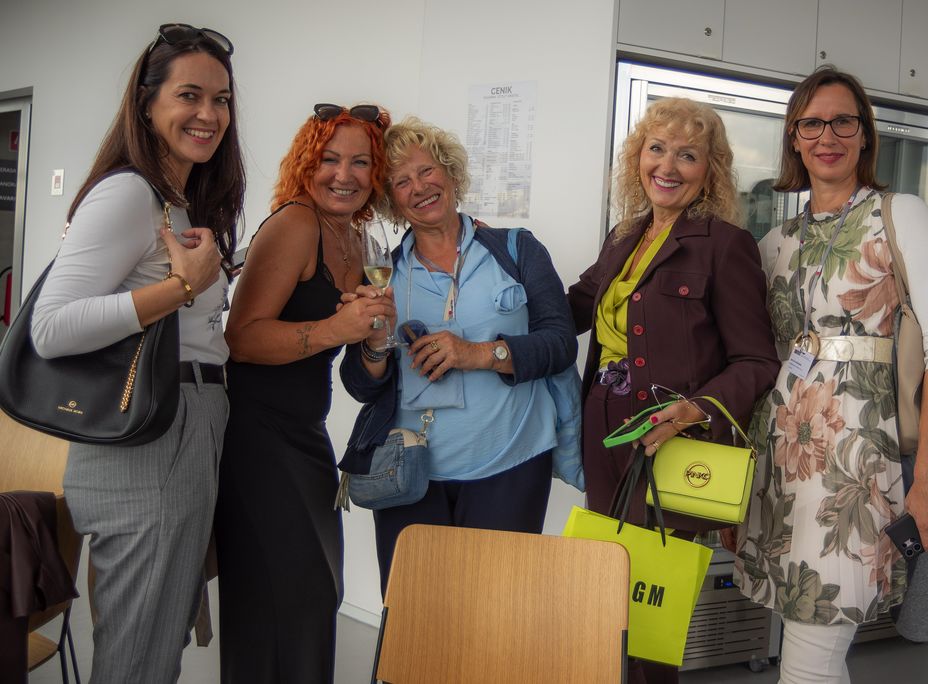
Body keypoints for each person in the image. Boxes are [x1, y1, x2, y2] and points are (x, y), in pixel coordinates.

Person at [733, 66, 928, 684]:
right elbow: (752, 360)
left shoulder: (899, 214)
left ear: (865, 134)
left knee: (812, 653)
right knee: (811, 652)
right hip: (779, 464)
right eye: (811, 123)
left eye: (842, 121)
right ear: (793, 138)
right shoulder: (774, 241)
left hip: (855, 468)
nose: (827, 136)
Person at [29, 24, 244, 683]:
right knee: (139, 659)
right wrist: (183, 287)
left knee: (153, 647)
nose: (209, 114)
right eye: (189, 95)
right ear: (147, 104)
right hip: (151, 435)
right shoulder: (129, 192)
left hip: (180, 428)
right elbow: (51, 327)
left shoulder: (175, 201)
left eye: (221, 99)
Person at [567, 97, 780, 684]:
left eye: (687, 155)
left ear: (710, 171)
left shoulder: (725, 244)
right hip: (604, 425)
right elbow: (571, 309)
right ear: (637, 158)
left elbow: (757, 361)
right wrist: (500, 266)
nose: (666, 166)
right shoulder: (625, 236)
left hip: (671, 437)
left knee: (650, 600)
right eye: (656, 149)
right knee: (605, 585)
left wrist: (694, 409)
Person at [339, 117, 577, 591]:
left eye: (427, 170)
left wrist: (478, 353)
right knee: (416, 616)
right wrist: (373, 344)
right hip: (410, 475)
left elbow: (559, 343)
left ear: (450, 173)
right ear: (390, 200)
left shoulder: (517, 249)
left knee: (495, 616)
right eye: (401, 182)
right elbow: (359, 384)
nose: (419, 187)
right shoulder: (382, 273)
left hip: (510, 467)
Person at [215, 104, 395, 683]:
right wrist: (334, 329)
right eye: (329, 160)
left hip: (306, 432)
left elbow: (357, 374)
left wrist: (375, 341)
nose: (344, 175)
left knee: (315, 592)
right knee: (282, 598)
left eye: (360, 162)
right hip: (255, 436)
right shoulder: (294, 224)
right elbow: (240, 340)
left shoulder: (356, 237)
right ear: (306, 164)